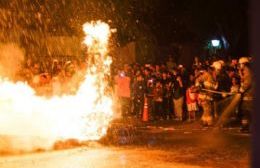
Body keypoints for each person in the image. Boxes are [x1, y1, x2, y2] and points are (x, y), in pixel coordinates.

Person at [238, 57, 254, 132]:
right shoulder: (245, 71)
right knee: (245, 112)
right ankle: (245, 126)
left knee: (248, 112)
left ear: (244, 64)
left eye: (240, 64)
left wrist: (242, 89)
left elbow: (248, 82)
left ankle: (248, 127)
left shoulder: (247, 71)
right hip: (247, 96)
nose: (240, 65)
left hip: (249, 96)